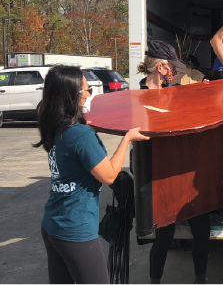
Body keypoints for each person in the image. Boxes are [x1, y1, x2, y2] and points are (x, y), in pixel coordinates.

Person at [36, 65, 149, 284]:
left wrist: (88, 131)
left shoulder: (55, 125)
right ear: (72, 95)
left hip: (52, 224)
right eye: (86, 90)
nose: (89, 95)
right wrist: (127, 139)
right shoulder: (80, 134)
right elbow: (109, 176)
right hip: (75, 229)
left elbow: (75, 149)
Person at [138, 40, 211, 284]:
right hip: (162, 177)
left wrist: (205, 91)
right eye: (172, 67)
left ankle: (200, 279)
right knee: (164, 236)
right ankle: (155, 281)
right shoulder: (139, 99)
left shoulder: (177, 91)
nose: (175, 71)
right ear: (160, 68)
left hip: (188, 170)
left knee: (202, 231)